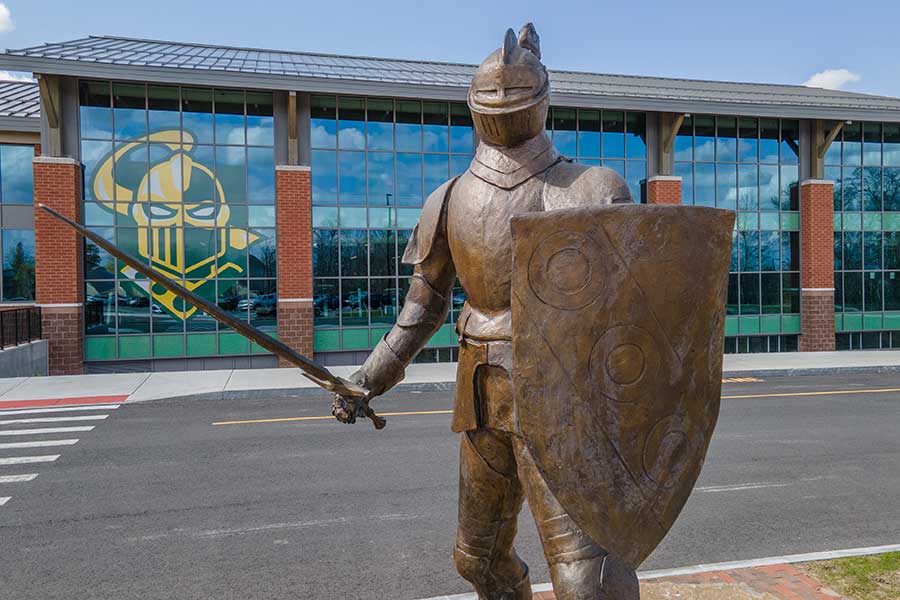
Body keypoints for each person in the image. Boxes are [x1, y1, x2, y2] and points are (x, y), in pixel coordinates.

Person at [332, 23, 638, 599]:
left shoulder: (592, 188)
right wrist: (367, 378)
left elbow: (635, 317)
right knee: (477, 557)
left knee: (584, 574)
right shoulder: (446, 199)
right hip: (481, 401)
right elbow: (420, 310)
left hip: (565, 406)